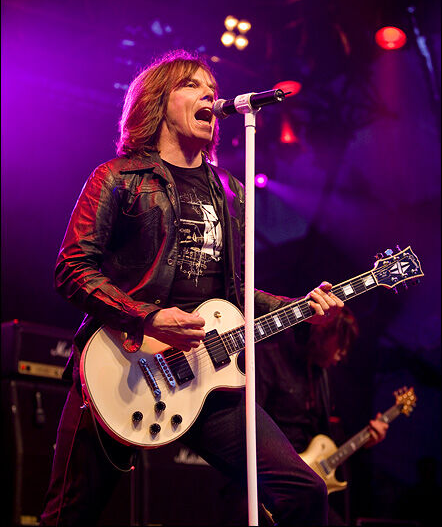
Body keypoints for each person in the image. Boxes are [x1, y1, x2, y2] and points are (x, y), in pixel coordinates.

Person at [39, 49, 345, 526]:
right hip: (122, 368)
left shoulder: (231, 191)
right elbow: (72, 269)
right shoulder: (118, 177)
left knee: (304, 491)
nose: (209, 94)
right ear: (157, 102)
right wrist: (148, 317)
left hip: (208, 374)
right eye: (192, 85)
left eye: (212, 88)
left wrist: (302, 307)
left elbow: (237, 291)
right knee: (68, 516)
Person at [250, 306, 389, 525]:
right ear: (324, 333)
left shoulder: (321, 374)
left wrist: (365, 441)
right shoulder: (270, 358)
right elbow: (251, 425)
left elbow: (324, 437)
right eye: (341, 343)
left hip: (305, 483)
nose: (342, 354)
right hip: (270, 481)